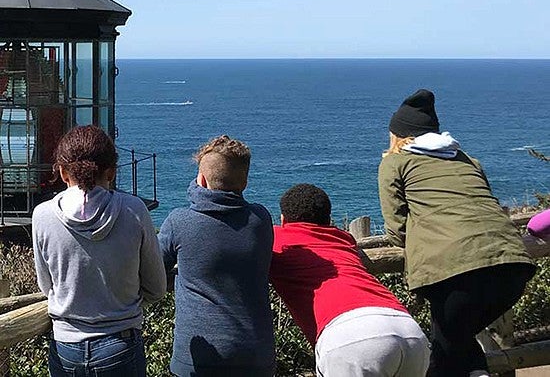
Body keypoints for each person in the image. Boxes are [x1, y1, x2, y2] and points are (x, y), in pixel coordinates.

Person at [378, 89, 536, 377]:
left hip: (454, 273)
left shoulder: (395, 162)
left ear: (398, 136)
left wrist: (420, 242)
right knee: (456, 343)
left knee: (444, 353)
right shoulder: (467, 160)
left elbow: (396, 227)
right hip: (514, 266)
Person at [32, 125, 166, 377]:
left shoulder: (42, 215)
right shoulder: (135, 210)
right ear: (112, 171)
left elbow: (46, 286)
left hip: (66, 346)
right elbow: (157, 289)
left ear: (62, 172)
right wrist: (122, 306)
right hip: (121, 343)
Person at [270, 183, 430, 377]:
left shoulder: (275, 238)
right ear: (329, 220)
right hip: (407, 328)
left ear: (283, 219)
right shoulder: (343, 238)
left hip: (349, 335)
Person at [158, 135, 275, 377]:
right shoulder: (260, 219)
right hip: (255, 355)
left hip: (199, 358)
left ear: (200, 179)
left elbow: (153, 269)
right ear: (245, 182)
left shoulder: (180, 222)